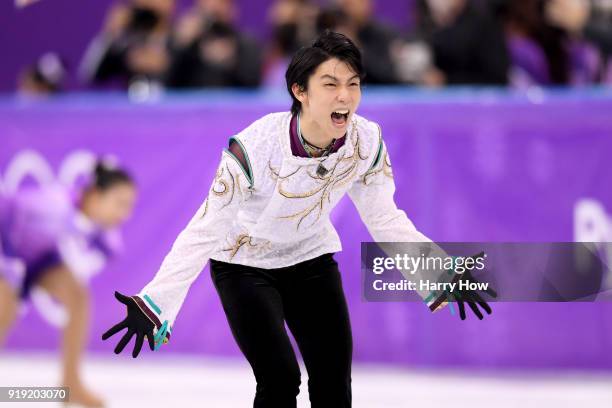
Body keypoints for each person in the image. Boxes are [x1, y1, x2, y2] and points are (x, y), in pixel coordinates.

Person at [102, 31, 493, 408]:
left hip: (311, 259)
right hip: (244, 265)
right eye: (330, 84)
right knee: (279, 377)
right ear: (299, 92)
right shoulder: (255, 146)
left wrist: (436, 271)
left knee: (333, 381)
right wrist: (156, 300)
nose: (345, 96)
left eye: (353, 84)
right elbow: (206, 228)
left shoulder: (365, 141)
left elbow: (384, 217)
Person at [0, 161, 137, 408]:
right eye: (119, 203)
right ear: (95, 196)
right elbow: (10, 228)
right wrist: (11, 280)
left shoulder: (99, 223)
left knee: (77, 296)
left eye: (129, 206)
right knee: (5, 307)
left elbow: (111, 248)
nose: (124, 214)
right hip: (7, 246)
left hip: (39, 256)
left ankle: (70, 384)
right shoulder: (53, 206)